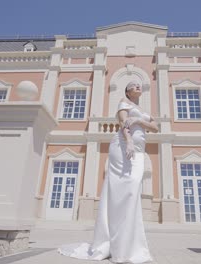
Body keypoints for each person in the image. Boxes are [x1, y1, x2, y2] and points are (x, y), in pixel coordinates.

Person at [58, 80, 158, 263]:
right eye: (133, 85)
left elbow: (156, 127)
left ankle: (127, 243)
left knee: (133, 190)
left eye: (139, 85)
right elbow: (122, 123)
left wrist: (138, 120)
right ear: (127, 91)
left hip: (139, 151)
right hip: (123, 148)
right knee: (122, 191)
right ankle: (114, 243)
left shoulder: (141, 111)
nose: (138, 86)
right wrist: (128, 141)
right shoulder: (124, 102)